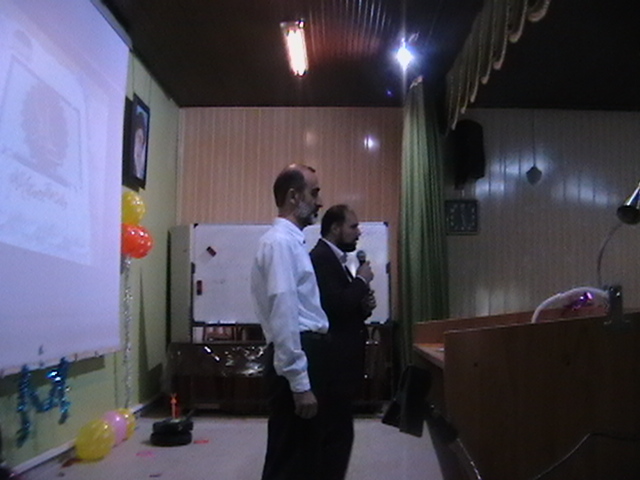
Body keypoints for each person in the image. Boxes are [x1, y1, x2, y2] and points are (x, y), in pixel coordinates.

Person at [251, 164, 337, 480]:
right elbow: (284, 313)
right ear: (293, 197)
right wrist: (300, 384)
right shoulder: (280, 244)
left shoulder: (290, 243)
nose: (320, 202)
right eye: (314, 193)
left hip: (307, 353)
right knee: (290, 460)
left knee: (306, 454)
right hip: (300, 355)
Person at [309, 204, 376, 479]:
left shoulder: (336, 260)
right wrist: (361, 281)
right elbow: (335, 306)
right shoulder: (321, 258)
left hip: (341, 366)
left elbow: (345, 306)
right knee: (335, 437)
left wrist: (364, 306)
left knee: (340, 435)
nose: (358, 232)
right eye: (353, 226)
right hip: (332, 367)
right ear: (335, 228)